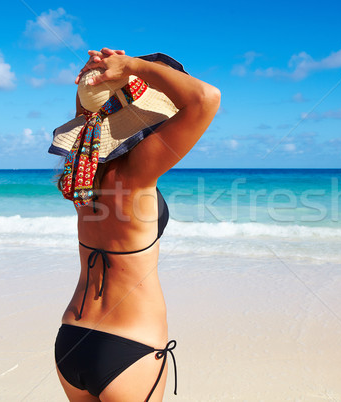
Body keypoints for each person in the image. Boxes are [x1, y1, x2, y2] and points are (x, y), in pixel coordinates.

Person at [49, 48, 220, 401]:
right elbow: (205, 99)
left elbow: (89, 113)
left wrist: (93, 80)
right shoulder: (138, 173)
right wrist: (130, 67)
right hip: (130, 345)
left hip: (71, 336)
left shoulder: (84, 168)